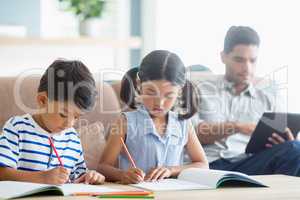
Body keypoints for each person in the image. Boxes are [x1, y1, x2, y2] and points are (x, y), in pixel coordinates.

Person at [193, 26, 300, 176]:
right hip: (209, 164)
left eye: (253, 61)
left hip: (249, 164)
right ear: (223, 57)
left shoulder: (269, 96)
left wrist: (286, 141)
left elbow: (287, 141)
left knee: (295, 149)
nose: (247, 68)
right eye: (239, 60)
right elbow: (193, 135)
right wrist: (238, 127)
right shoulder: (200, 89)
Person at [99, 50, 208, 184]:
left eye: (168, 96)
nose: (159, 103)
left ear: (179, 92)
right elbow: (103, 167)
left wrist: (171, 170)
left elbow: (202, 164)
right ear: (139, 85)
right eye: (151, 93)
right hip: (137, 192)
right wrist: (123, 175)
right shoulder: (125, 122)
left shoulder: (183, 124)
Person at [0, 59, 105, 184]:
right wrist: (42, 178)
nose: (69, 124)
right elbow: (2, 172)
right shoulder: (18, 128)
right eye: (63, 114)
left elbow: (79, 175)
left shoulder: (72, 138)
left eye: (76, 117)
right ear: (42, 100)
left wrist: (92, 176)